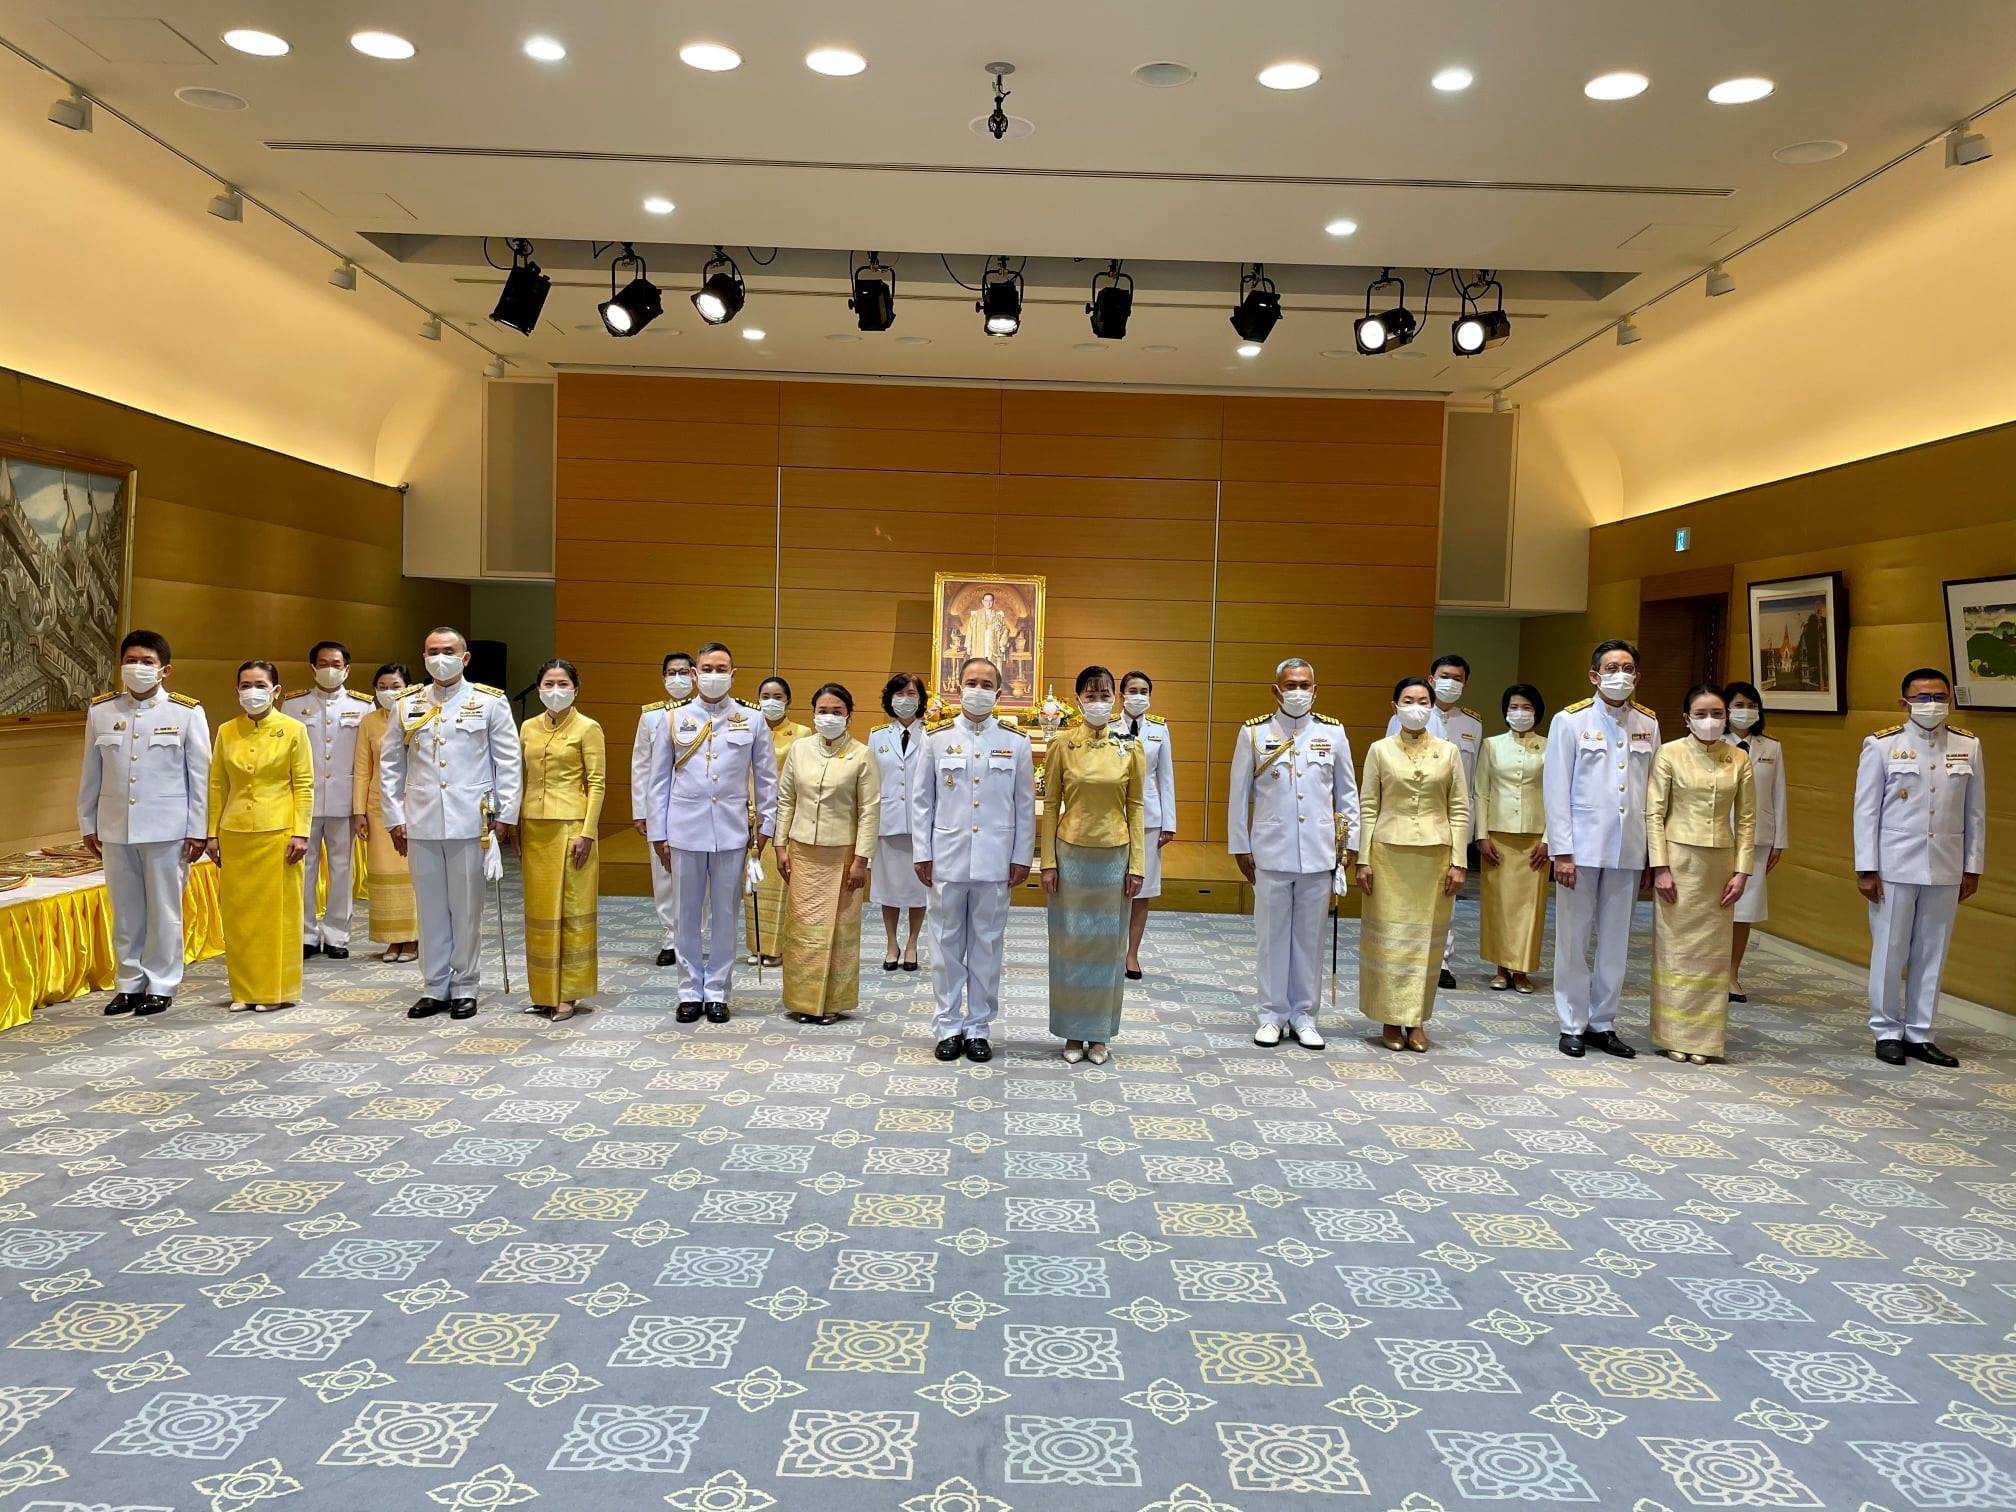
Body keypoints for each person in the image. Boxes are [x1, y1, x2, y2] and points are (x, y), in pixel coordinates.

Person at [380, 626, 522, 1022]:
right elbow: (390, 764)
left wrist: (504, 815)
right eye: (432, 651)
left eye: (448, 650)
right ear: (423, 657)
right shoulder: (407, 703)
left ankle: (465, 985)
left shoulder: (489, 702)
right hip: (421, 819)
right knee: (429, 909)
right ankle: (434, 985)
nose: (439, 658)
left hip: (471, 820)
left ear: (465, 658)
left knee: (466, 909)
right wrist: (394, 817)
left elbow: (508, 762)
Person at [1854, 668, 1986, 1067]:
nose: (1932, 704)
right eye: (1923, 697)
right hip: (1893, 864)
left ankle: (1920, 1032)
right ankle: (1886, 1030)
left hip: (1945, 864)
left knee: (1933, 950)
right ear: (1904, 703)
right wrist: (1866, 867)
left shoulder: (1968, 745)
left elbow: (1975, 812)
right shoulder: (1882, 745)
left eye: (1939, 697)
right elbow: (1866, 811)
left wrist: (1973, 866)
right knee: (1890, 949)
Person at [77, 630, 211, 1017]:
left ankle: (162, 983)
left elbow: (200, 777)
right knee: (126, 910)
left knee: (165, 911)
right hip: (116, 826)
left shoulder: (186, 713)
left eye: (147, 662)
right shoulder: (102, 711)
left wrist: (198, 829)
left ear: (165, 670)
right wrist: (87, 821)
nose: (138, 668)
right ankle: (128, 983)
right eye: (131, 661)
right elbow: (91, 771)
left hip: (168, 829)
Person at [1228, 657, 1359, 1049]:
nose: (1297, 692)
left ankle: (1304, 1015)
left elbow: (1347, 795)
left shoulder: (1332, 733)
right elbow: (1238, 796)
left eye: (1304, 685)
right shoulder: (1253, 733)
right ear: (1276, 690)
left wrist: (1349, 846)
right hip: (1270, 852)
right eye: (1290, 685)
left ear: (1315, 691)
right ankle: (1271, 1014)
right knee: (1271, 937)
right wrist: (1240, 846)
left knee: (1309, 939)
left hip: (1319, 853)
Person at [646, 641, 779, 1024]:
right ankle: (689, 991)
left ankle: (718, 990)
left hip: (732, 832)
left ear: (733, 675)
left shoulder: (751, 720)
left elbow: (766, 778)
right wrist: (658, 832)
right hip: (684, 830)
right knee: (685, 914)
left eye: (721, 669)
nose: (714, 675)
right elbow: (658, 781)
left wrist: (766, 826)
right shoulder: (673, 719)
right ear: (694, 674)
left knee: (725, 914)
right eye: (707, 669)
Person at [911, 656, 1035, 1063]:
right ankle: (948, 1026)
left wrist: (1021, 856)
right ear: (957, 687)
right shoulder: (936, 739)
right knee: (945, 945)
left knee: (987, 945)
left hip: (995, 861)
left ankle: (979, 1026)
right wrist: (922, 852)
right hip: (946, 857)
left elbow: (1024, 805)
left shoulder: (1016, 743)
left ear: (998, 692)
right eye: (971, 682)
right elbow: (922, 802)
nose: (977, 690)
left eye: (986, 684)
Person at [1543, 639, 1659, 1059]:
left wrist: (1652, 854)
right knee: (1573, 940)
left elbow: (1652, 792)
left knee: (1616, 941)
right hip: (1582, 848)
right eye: (1612, 668)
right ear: (1594, 675)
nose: (1620, 675)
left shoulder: (1648, 723)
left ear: (1637, 676)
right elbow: (1556, 789)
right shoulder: (1570, 720)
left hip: (1628, 848)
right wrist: (1562, 852)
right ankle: (1572, 1022)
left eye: (1627, 668)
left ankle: (1603, 1022)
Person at [1355, 677, 1469, 1051]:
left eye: (1422, 701)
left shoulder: (1449, 752)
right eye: (1408, 700)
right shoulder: (1379, 750)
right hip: (1387, 855)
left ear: (1432, 707)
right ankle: (1390, 1018)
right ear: (1395, 706)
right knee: (1390, 941)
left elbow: (1459, 808)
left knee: (1425, 942)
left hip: (1435, 856)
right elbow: (1368, 806)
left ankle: (1416, 1020)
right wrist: (1363, 859)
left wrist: (1459, 861)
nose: (1415, 707)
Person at [1041, 666, 1146, 1065]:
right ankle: (1072, 1031)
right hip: (1070, 856)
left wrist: (1137, 865)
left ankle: (1099, 1033)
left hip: (1114, 856)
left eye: (1105, 695)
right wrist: (1047, 862)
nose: (1098, 702)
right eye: (1091, 695)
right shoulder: (1062, 744)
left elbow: (1136, 806)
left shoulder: (1131, 748)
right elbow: (1051, 804)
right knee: (1070, 946)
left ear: (1114, 699)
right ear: (1078, 699)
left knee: (1106, 948)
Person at [1646, 684, 1756, 1064]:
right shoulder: (1669, 753)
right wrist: (1660, 867)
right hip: (1678, 861)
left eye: (1717, 714)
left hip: (1721, 865)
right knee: (1676, 950)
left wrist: (1742, 871)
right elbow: (1654, 813)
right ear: (1687, 718)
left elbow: (1747, 819)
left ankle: (1704, 1040)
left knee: (1712, 954)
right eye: (1702, 714)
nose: (1710, 720)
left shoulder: (1739, 758)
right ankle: (1672, 1034)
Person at [206, 660, 314, 1012]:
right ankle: (244, 990)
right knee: (239, 914)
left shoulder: (294, 729)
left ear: (276, 691)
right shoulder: (227, 731)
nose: (252, 692)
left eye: (260, 685)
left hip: (279, 832)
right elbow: (217, 784)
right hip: (235, 831)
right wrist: (211, 834)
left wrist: (302, 832)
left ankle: (275, 990)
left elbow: (304, 784)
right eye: (245, 685)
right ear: (236, 690)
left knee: (277, 915)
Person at [775, 683, 879, 1024]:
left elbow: (869, 811)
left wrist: (861, 860)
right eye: (823, 711)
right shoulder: (799, 749)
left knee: (837, 931)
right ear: (813, 714)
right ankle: (802, 1001)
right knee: (803, 930)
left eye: (837, 712)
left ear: (849, 715)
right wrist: (779, 845)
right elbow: (786, 799)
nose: (829, 717)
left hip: (843, 857)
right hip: (802, 852)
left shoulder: (862, 755)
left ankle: (832, 1002)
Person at [1387, 653, 1481, 988]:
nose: (1450, 683)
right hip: (1409, 819)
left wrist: (1469, 831)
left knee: (1446, 897)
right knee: (1406, 896)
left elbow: (1470, 783)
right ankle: (1405, 956)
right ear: (1431, 678)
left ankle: (1441, 961)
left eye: (1457, 678)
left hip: (1449, 819)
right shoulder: (1405, 715)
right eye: (1444, 676)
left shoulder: (1472, 725)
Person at [520, 659, 605, 1021]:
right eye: (548, 684)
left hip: (572, 826)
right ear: (539, 688)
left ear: (575, 688)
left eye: (562, 684)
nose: (555, 690)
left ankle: (568, 993)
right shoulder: (527, 727)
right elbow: (520, 777)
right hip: (533, 827)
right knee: (539, 910)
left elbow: (597, 783)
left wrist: (588, 831)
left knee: (571, 908)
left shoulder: (588, 727)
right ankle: (543, 992)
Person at [284, 640, 374, 961]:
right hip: (304, 801)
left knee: (342, 868)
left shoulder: (363, 706)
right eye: (323, 664)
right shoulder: (293, 705)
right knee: (304, 868)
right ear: (312, 668)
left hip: (344, 800)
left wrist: (362, 806)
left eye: (336, 664)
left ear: (347, 669)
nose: (330, 670)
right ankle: (306, 934)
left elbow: (367, 758)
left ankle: (337, 934)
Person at [1475, 684, 1550, 993]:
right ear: (1505, 712)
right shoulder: (1491, 745)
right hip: (1498, 836)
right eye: (1514, 707)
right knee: (1499, 905)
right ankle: (1500, 967)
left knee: (1530, 907)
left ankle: (1521, 969)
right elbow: (1481, 792)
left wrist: (1549, 839)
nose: (1520, 713)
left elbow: (1557, 794)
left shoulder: (1550, 746)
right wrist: (1481, 835)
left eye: (1527, 708)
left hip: (1535, 838)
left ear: (1537, 712)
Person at [1722, 681, 1786, 1002]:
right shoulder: (1713, 742)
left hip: (1757, 839)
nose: (1745, 711)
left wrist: (1779, 840)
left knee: (1744, 910)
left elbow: (1779, 794)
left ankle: (1732, 975)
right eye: (1738, 705)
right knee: (1714, 907)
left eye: (1751, 705)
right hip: (1717, 835)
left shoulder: (1771, 748)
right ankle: (1708, 971)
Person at [352, 663, 417, 961]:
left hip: (415, 805)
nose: (388, 692)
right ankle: (392, 939)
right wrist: (359, 811)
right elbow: (362, 769)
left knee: (411, 873)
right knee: (383, 872)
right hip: (378, 808)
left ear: (409, 689)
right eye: (382, 687)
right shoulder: (369, 722)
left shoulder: (419, 716)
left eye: (395, 687)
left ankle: (413, 938)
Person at [634, 651, 694, 969]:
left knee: (700, 876)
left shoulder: (709, 713)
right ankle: (670, 937)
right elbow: (640, 766)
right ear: (663, 678)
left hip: (696, 806)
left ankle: (695, 934)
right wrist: (640, 810)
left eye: (684, 672)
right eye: (672, 673)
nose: (678, 678)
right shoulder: (651, 716)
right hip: (661, 805)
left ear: (695, 675)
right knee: (664, 874)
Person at [1114, 670, 1175, 979]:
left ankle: (1132, 955)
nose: (1138, 696)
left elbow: (1166, 777)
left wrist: (1169, 822)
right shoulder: (1108, 727)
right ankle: (1110, 951)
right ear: (1121, 695)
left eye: (1144, 691)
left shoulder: (1159, 730)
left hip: (1149, 817)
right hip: (1114, 815)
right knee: (1113, 888)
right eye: (1133, 690)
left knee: (1142, 890)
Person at [869, 673, 930, 971]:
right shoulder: (877, 736)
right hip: (888, 823)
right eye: (899, 693)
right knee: (889, 888)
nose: (905, 699)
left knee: (919, 889)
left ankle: (912, 943)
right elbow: (870, 781)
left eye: (911, 693)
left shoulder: (932, 735)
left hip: (921, 825)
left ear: (920, 699)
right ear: (890, 699)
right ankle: (891, 942)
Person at [747, 676, 807, 968]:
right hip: (750, 816)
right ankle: (756, 946)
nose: (771, 702)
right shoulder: (748, 729)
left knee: (779, 881)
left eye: (778, 697)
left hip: (785, 818)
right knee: (751, 883)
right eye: (765, 696)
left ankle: (778, 947)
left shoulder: (802, 734)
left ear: (788, 701)